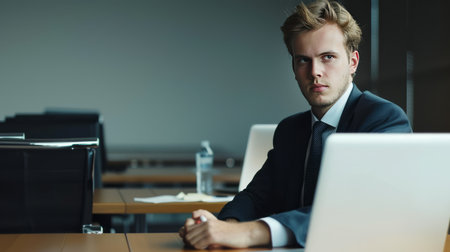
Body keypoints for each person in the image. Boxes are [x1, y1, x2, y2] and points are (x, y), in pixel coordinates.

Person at [179, 0, 412, 249]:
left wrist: (248, 233)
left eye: (328, 57)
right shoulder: (290, 130)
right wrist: (220, 226)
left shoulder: (383, 119)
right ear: (293, 67)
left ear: (352, 62)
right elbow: (258, 196)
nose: (315, 71)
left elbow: (356, 208)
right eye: (303, 60)